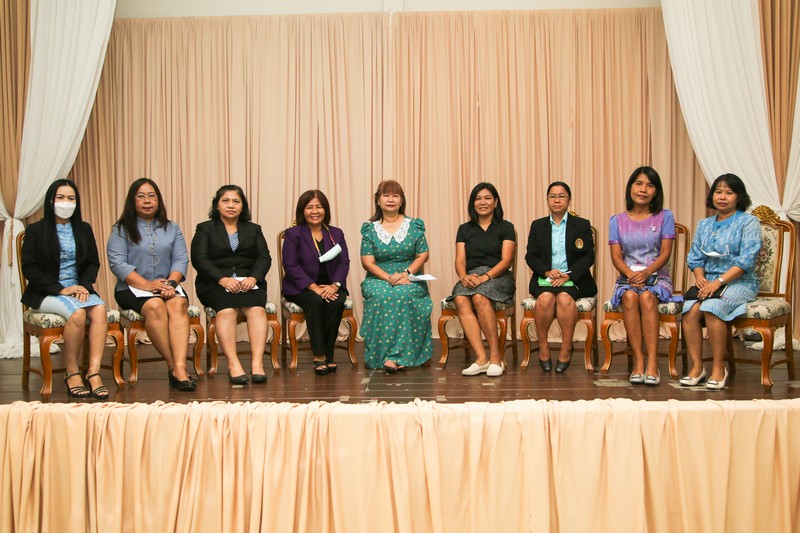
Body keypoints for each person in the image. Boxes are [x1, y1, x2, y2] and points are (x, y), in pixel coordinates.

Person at [21, 179, 110, 399]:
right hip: (46, 292)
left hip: (78, 288)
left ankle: (93, 372)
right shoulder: (35, 230)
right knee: (78, 313)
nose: (66, 202)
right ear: (51, 201)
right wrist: (61, 289)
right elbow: (30, 269)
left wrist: (84, 287)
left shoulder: (83, 229)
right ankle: (72, 372)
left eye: (71, 198)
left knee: (100, 309)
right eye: (60, 197)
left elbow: (93, 263)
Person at [107, 178, 196, 391]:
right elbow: (118, 264)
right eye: (141, 196)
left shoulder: (172, 228)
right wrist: (148, 285)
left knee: (178, 304)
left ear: (158, 200)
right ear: (133, 201)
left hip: (168, 285)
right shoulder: (121, 229)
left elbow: (181, 260)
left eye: (151, 196)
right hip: (131, 288)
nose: (147, 201)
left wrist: (171, 284)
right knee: (155, 306)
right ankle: (173, 366)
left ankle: (180, 367)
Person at [680, 174, 761, 390]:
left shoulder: (748, 222)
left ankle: (718, 368)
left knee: (712, 308)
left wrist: (719, 282)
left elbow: (746, 260)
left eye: (729, 192)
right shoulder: (704, 224)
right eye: (718, 192)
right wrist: (700, 278)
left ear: (738, 197)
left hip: (740, 282)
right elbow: (695, 258)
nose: (722, 197)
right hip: (708, 282)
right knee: (689, 311)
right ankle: (697, 368)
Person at [191, 185, 272, 384]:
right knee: (227, 310)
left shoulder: (253, 229)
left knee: (256, 310)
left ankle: (257, 363)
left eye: (236, 201)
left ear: (242, 206)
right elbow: (200, 258)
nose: (231, 205)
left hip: (248, 283)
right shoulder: (205, 228)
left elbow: (264, 257)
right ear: (216, 205)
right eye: (225, 201)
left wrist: (253, 278)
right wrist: (222, 279)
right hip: (215, 283)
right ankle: (233, 363)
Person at [608, 166, 676, 385]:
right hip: (627, 277)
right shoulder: (617, 220)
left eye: (650, 185)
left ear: (656, 192)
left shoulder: (664, 217)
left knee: (647, 297)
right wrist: (631, 275)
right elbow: (616, 257)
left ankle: (653, 363)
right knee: (629, 297)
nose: (643, 189)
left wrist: (646, 273)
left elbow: (665, 253)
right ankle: (639, 362)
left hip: (657, 276)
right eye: (639, 184)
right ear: (630, 188)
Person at [360, 180, 433, 372]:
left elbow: (422, 255)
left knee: (404, 294)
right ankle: (384, 356)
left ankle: (400, 356)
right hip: (378, 277)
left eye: (395, 195)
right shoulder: (370, 229)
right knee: (382, 295)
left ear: (401, 201)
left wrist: (405, 274)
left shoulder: (414, 226)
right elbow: (368, 262)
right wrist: (389, 278)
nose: (390, 199)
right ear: (378, 200)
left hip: (409, 275)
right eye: (386, 195)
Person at [525, 181, 597, 373]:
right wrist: (547, 271)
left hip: (574, 278)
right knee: (545, 299)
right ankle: (543, 345)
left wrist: (568, 275)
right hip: (546, 278)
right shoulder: (538, 225)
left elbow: (588, 256)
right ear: (547, 200)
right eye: (553, 196)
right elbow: (530, 256)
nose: (557, 200)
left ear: (569, 200)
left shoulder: (581, 225)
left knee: (565, 298)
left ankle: (566, 347)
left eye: (561, 196)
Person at [448, 183, 516, 378]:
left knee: (479, 296)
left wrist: (485, 277)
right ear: (472, 203)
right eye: (478, 198)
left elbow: (506, 260)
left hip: (498, 276)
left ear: (495, 202)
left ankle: (496, 358)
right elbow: (460, 260)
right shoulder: (464, 229)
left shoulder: (506, 227)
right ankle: (481, 358)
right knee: (460, 298)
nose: (482, 202)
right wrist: (464, 277)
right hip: (471, 275)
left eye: (487, 198)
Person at [281, 190, 350, 375]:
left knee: (336, 302)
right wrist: (313, 287)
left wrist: (335, 285)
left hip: (330, 285)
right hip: (301, 287)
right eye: (309, 207)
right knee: (315, 301)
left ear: (325, 209)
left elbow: (344, 262)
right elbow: (290, 265)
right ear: (302, 211)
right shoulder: (294, 233)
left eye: (318, 207)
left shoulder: (336, 233)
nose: (314, 211)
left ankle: (329, 354)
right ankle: (319, 355)